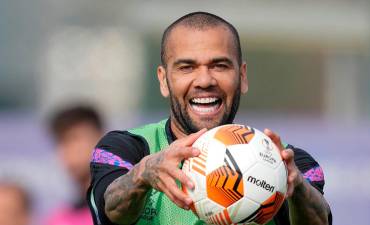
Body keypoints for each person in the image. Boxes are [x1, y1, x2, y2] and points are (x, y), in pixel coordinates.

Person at [87, 12, 332, 225]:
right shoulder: (124, 149)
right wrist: (144, 173)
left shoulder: (288, 162)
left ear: (242, 76)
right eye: (187, 67)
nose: (205, 80)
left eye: (219, 65)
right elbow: (112, 212)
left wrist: (297, 187)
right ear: (163, 80)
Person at [46, 105, 104, 225]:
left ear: (102, 138)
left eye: (74, 138)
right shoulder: (59, 219)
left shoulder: (139, 204)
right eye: (60, 142)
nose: (66, 150)